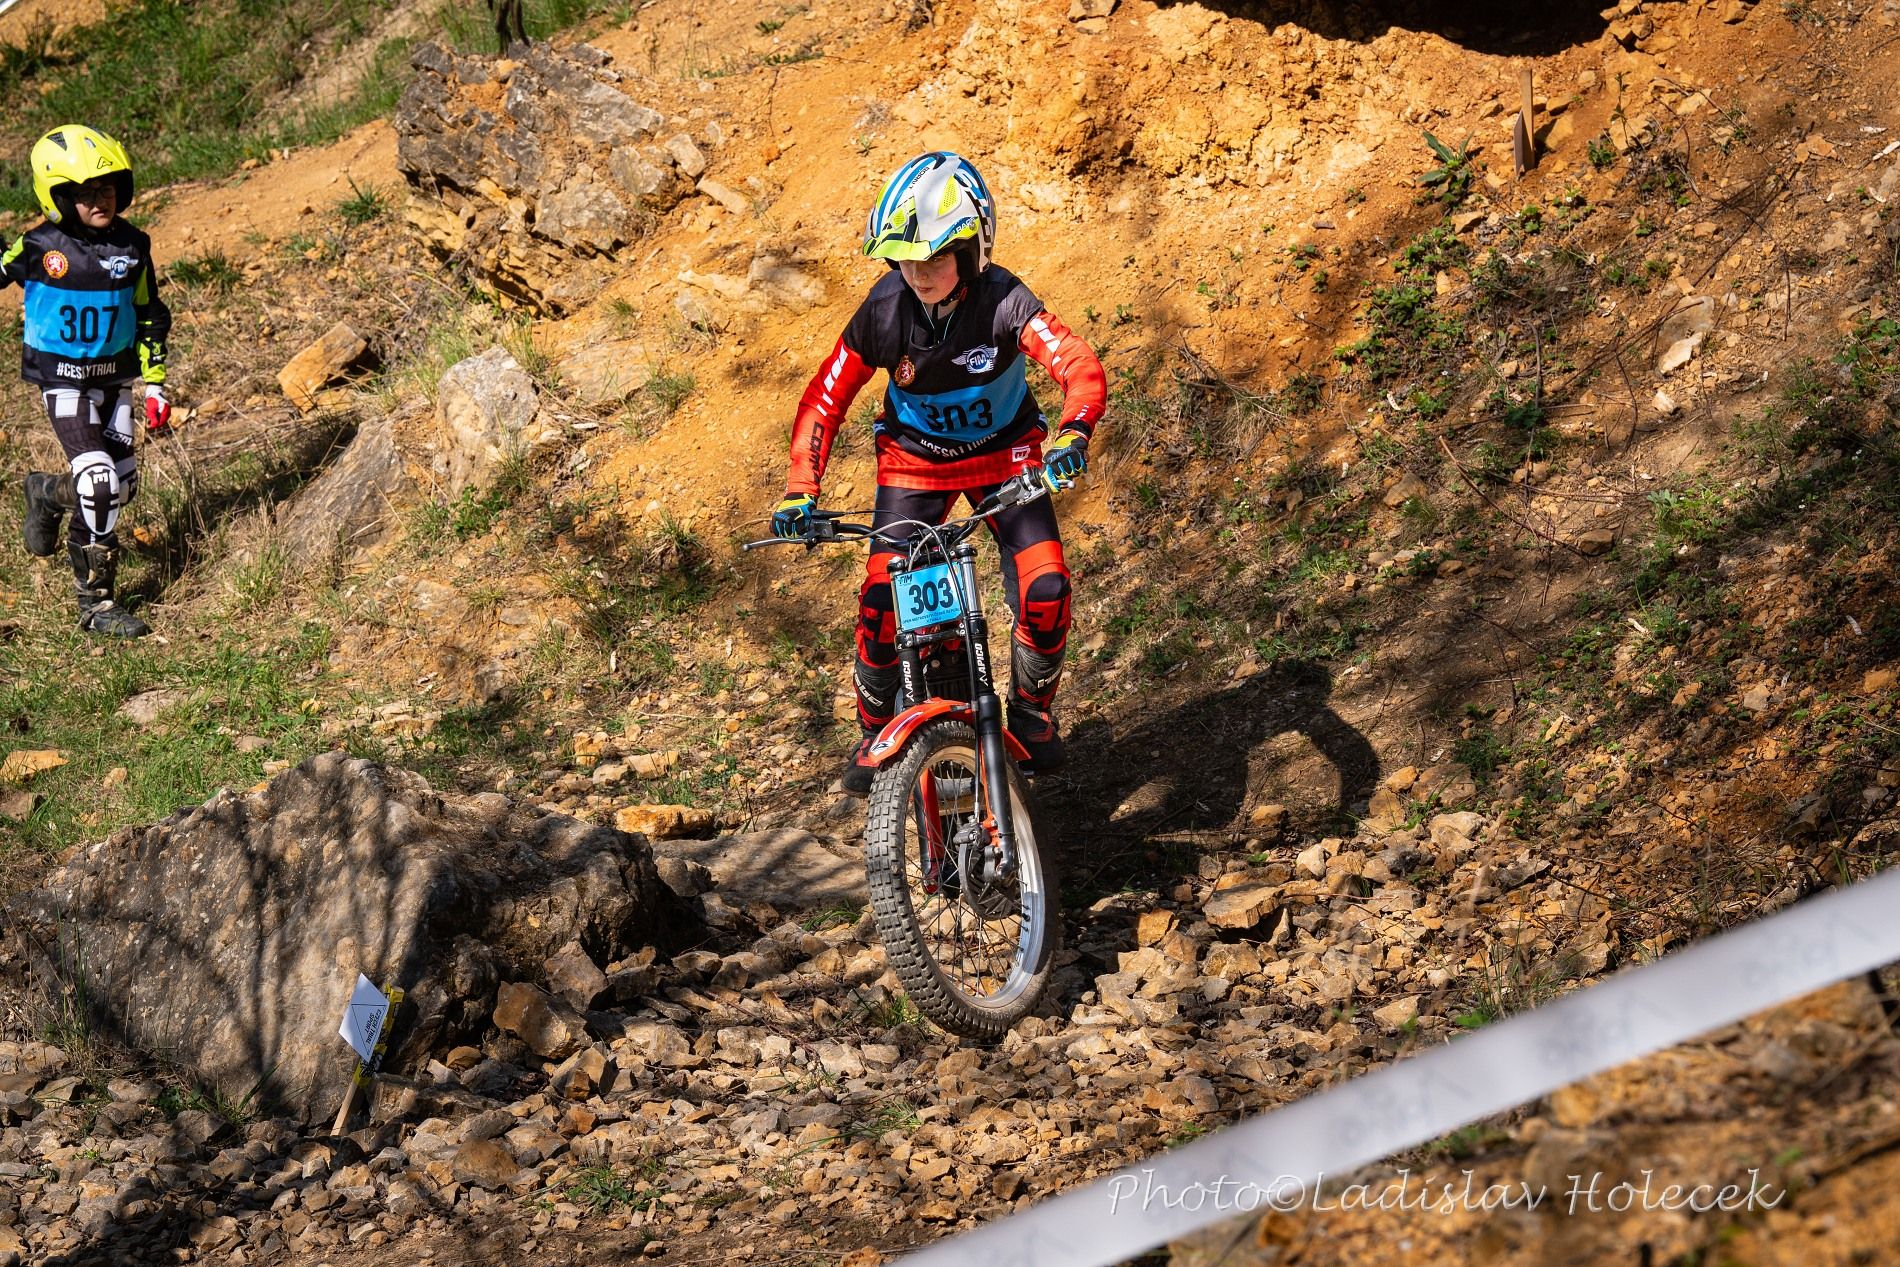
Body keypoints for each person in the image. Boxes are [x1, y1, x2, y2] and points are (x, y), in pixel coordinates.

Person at [771, 152, 1106, 796]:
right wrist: (800, 489)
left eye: (934, 257)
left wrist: (1074, 431)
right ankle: (876, 730)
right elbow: (824, 399)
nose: (918, 274)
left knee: (1047, 589)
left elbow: (1077, 364)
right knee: (880, 606)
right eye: (904, 259)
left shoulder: (1006, 300)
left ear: (973, 249)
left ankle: (1032, 713)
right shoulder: (884, 310)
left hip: (1005, 457)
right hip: (914, 465)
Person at [1, 124, 173, 639]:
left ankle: (46, 493)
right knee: (99, 482)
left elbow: (150, 314)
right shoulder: (39, 246)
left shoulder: (134, 246)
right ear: (57, 198)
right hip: (64, 383)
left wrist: (155, 383)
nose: (101, 200)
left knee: (121, 488)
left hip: (116, 382)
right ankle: (96, 605)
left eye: (108, 188)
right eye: (86, 193)